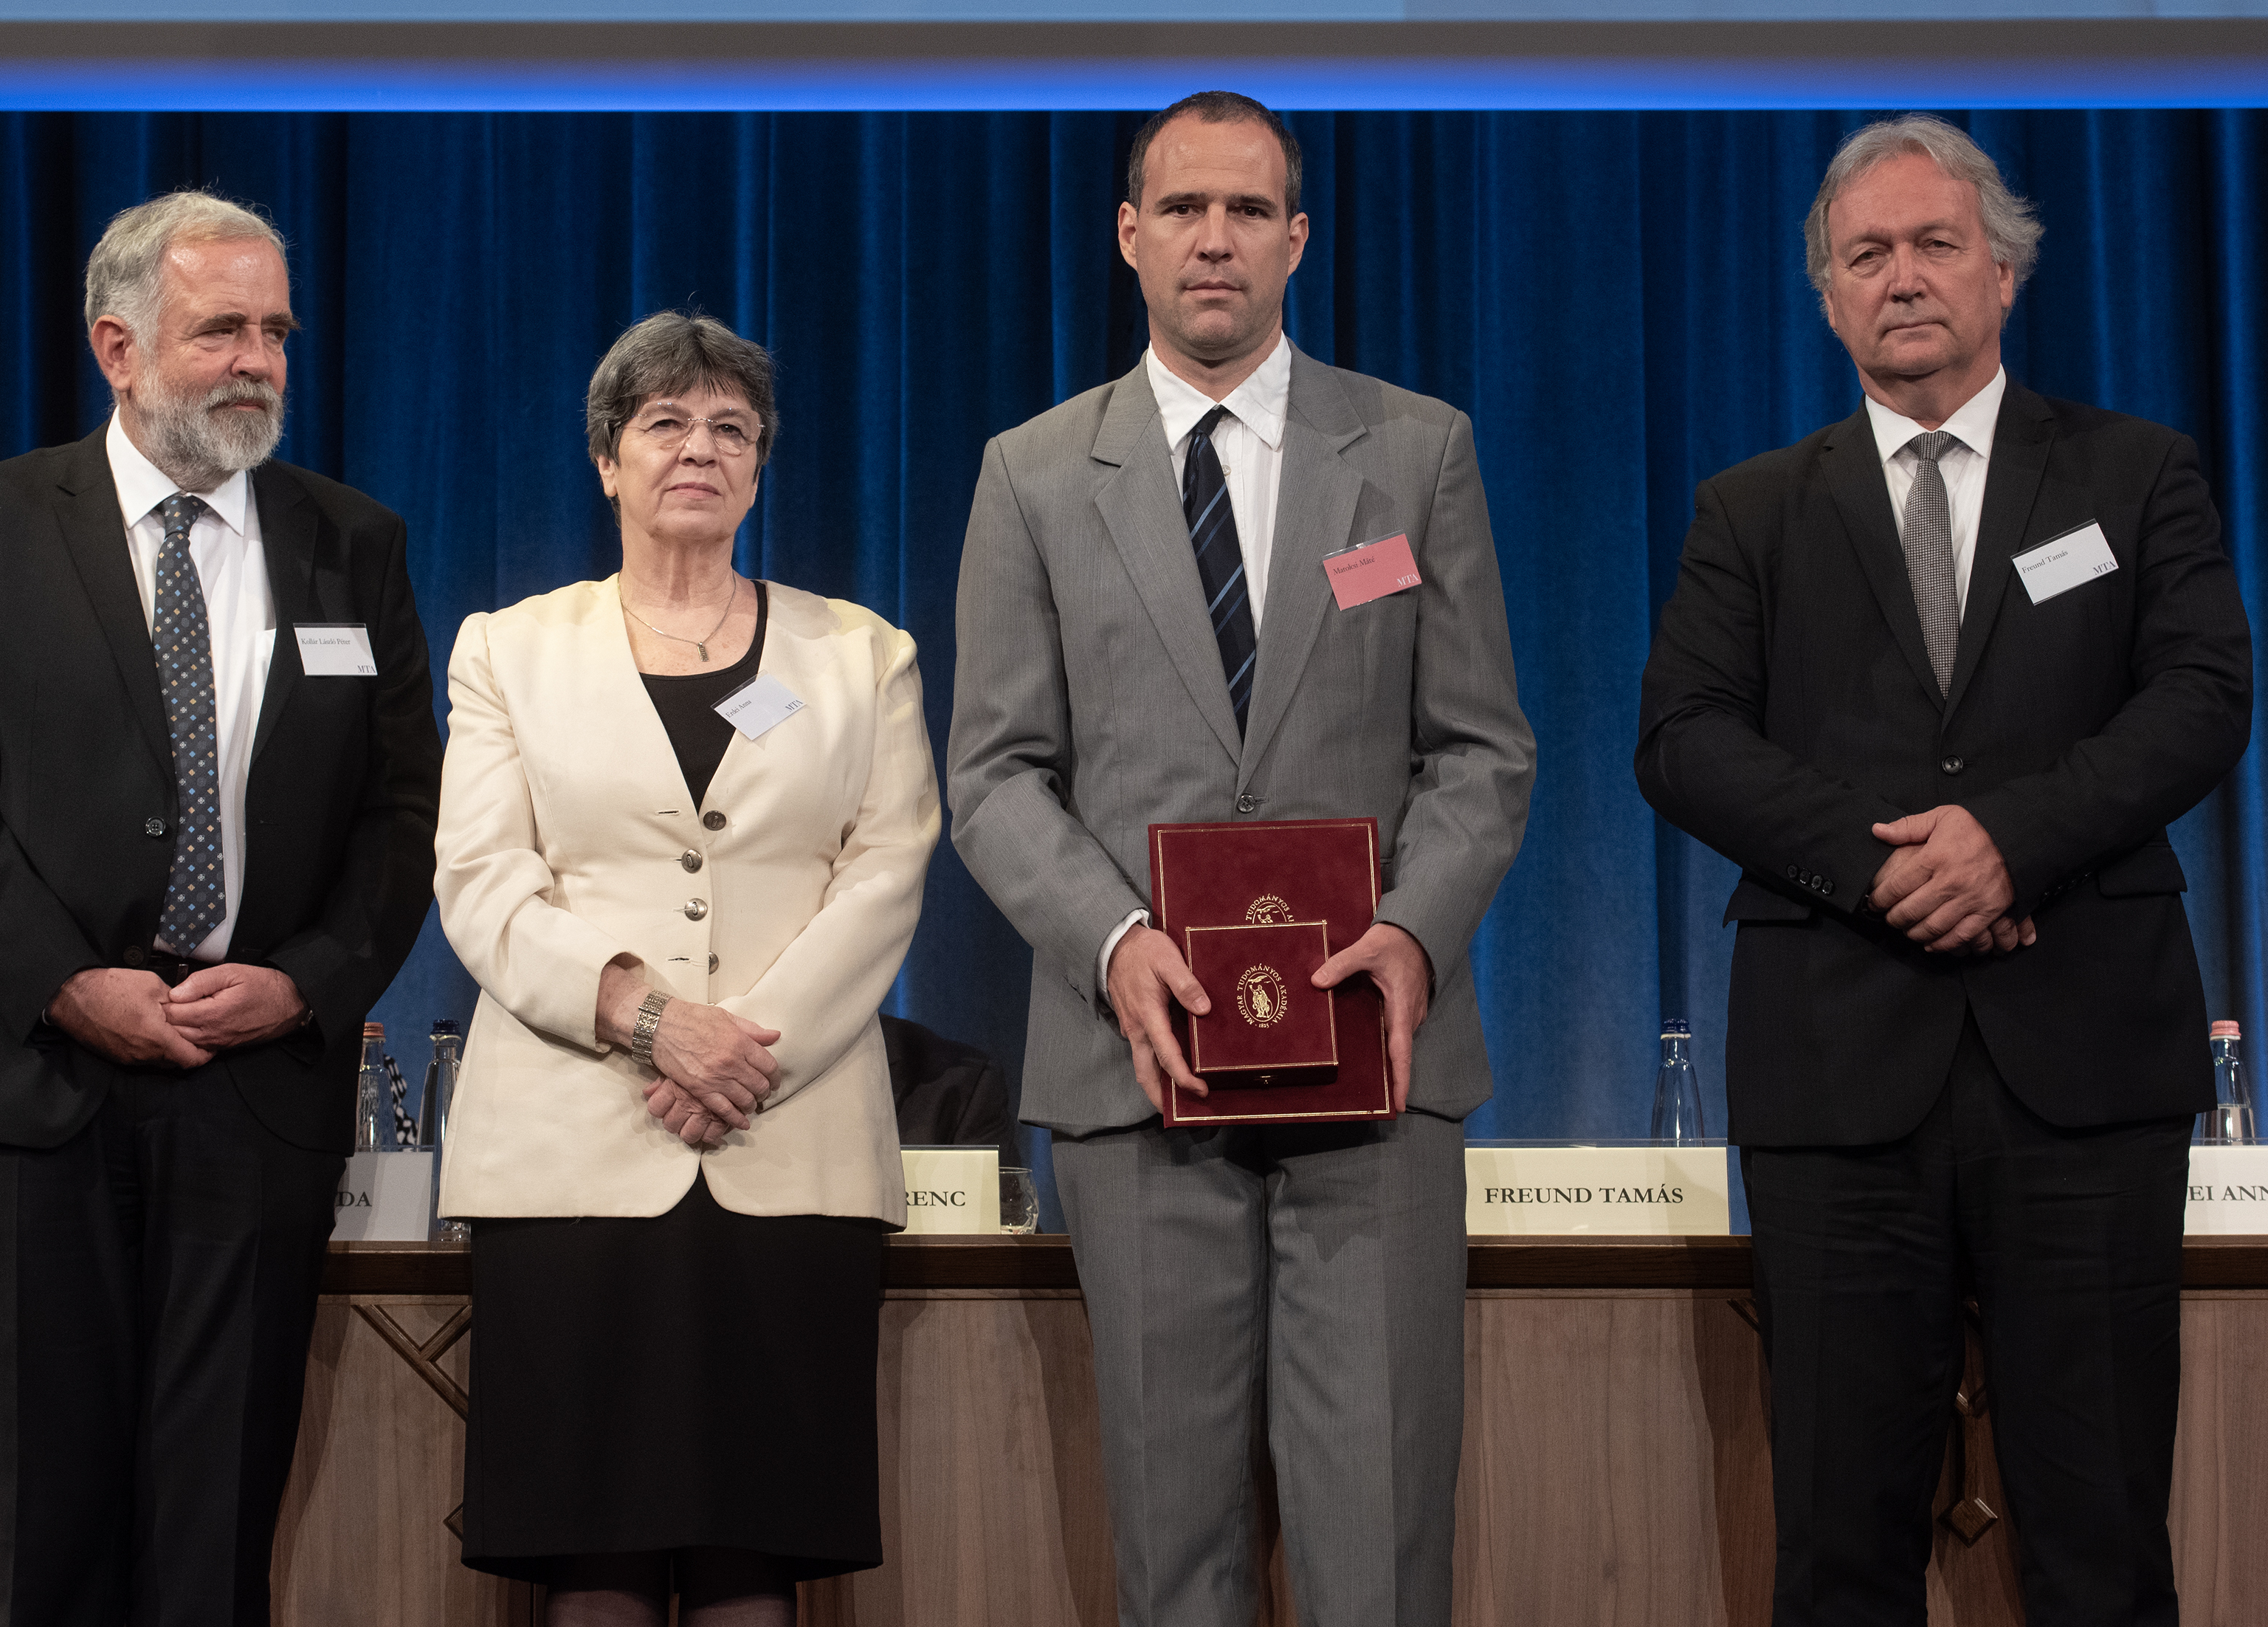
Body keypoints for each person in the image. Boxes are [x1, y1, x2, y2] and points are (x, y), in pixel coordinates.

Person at [1637, 115, 2252, 1626]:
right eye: (1866, 255)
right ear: (1828, 297)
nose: (1901, 276)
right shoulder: (1752, 509)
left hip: (2085, 1061)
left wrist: (2011, 843)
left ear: (2003, 272)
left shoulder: (2133, 473)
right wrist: (1885, 869)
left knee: (2102, 1537)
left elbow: (2201, 695)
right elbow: (1681, 738)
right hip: (1838, 1073)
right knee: (1838, 1544)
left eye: (1933, 244)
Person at [947, 92, 1536, 1625]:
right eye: (1184, 208)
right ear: (1129, 235)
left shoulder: (1415, 452)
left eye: (1248, 210)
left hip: (1374, 1063)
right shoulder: (1031, 473)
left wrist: (1413, 930)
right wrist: (1113, 942)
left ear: (1298, 238)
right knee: (1174, 1549)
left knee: (1381, 1544)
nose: (1215, 239)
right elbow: (994, 776)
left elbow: (1482, 750)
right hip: (1137, 1070)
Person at [0, 190, 442, 1625]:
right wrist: (69, 983)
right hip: (35, 1080)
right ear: (117, 346)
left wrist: (305, 981)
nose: (260, 360)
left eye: (277, 332)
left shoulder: (353, 542)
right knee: (53, 1539)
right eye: (222, 329)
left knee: (214, 1542)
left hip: (254, 1089)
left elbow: (402, 816)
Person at [433, 310, 938, 1627]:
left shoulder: (863, 655)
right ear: (608, 460)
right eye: (665, 423)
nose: (699, 449)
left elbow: (885, 874)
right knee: (589, 1556)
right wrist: (654, 1020)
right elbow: (482, 879)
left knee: (754, 1555)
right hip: (570, 1154)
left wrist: (742, 1051)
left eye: (731, 429)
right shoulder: (509, 649)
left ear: (761, 467)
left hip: (789, 1141)